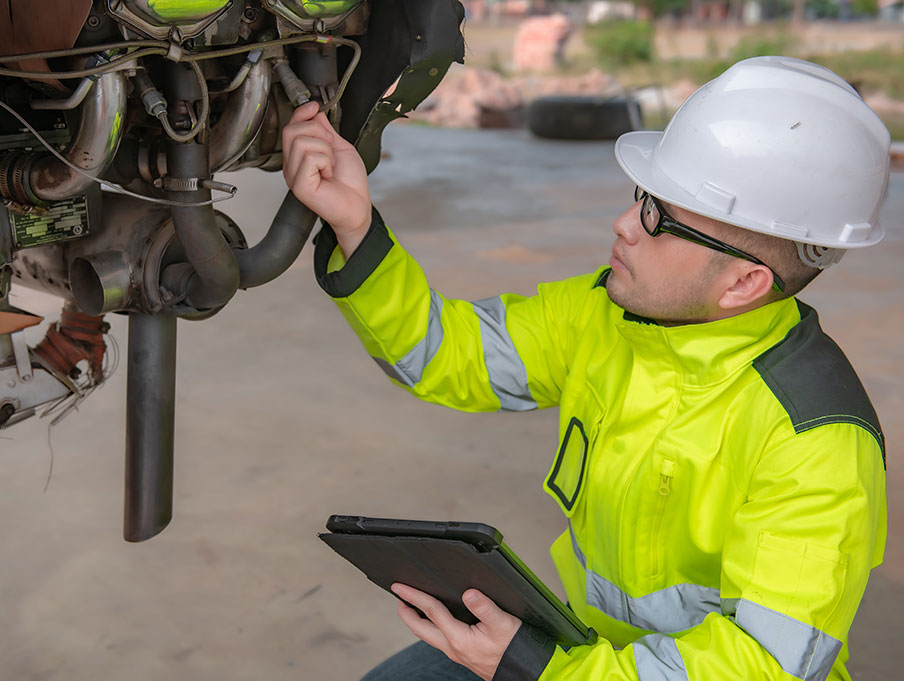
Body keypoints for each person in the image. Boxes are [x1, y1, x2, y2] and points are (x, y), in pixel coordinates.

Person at [281, 56, 889, 681]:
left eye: (660, 219)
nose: (625, 225)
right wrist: (356, 227)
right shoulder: (604, 316)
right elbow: (446, 355)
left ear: (744, 282)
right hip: (585, 652)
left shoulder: (817, 442)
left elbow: (763, 667)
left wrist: (540, 667)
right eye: (642, 198)